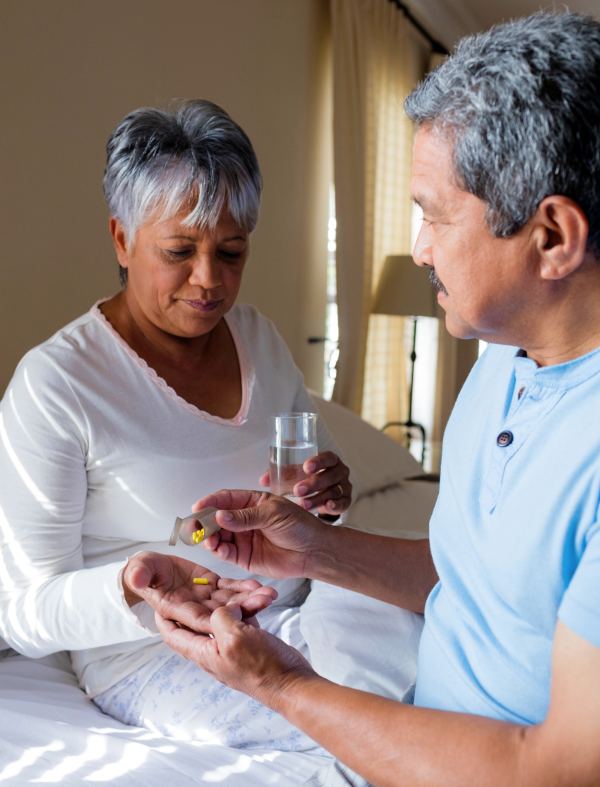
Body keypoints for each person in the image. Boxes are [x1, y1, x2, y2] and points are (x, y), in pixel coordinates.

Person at [141, 12, 600, 785]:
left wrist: (284, 683)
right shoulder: (498, 360)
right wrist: (315, 548)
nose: (419, 247)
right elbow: (480, 584)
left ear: (552, 236)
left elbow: (557, 768)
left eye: (434, 214)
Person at [0, 99, 356, 750]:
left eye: (231, 251)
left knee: (443, 625)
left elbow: (310, 475)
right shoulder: (59, 384)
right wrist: (134, 585)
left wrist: (327, 494)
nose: (209, 280)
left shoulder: (259, 339)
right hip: (160, 655)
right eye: (179, 250)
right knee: (373, 702)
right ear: (121, 239)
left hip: (300, 607)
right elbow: (23, 611)